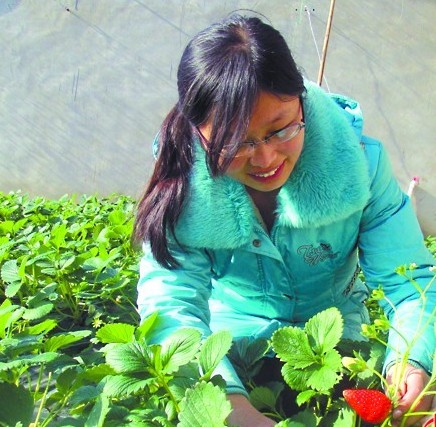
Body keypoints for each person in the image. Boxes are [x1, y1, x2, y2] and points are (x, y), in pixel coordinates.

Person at [134, 13, 435, 427]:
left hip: (336, 339)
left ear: (301, 103)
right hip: (231, 349)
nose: (265, 159)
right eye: (236, 142)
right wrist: (228, 407)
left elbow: (411, 286)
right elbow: (170, 303)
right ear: (198, 132)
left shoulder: (359, 165)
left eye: (280, 129)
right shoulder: (181, 186)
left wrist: (411, 363)